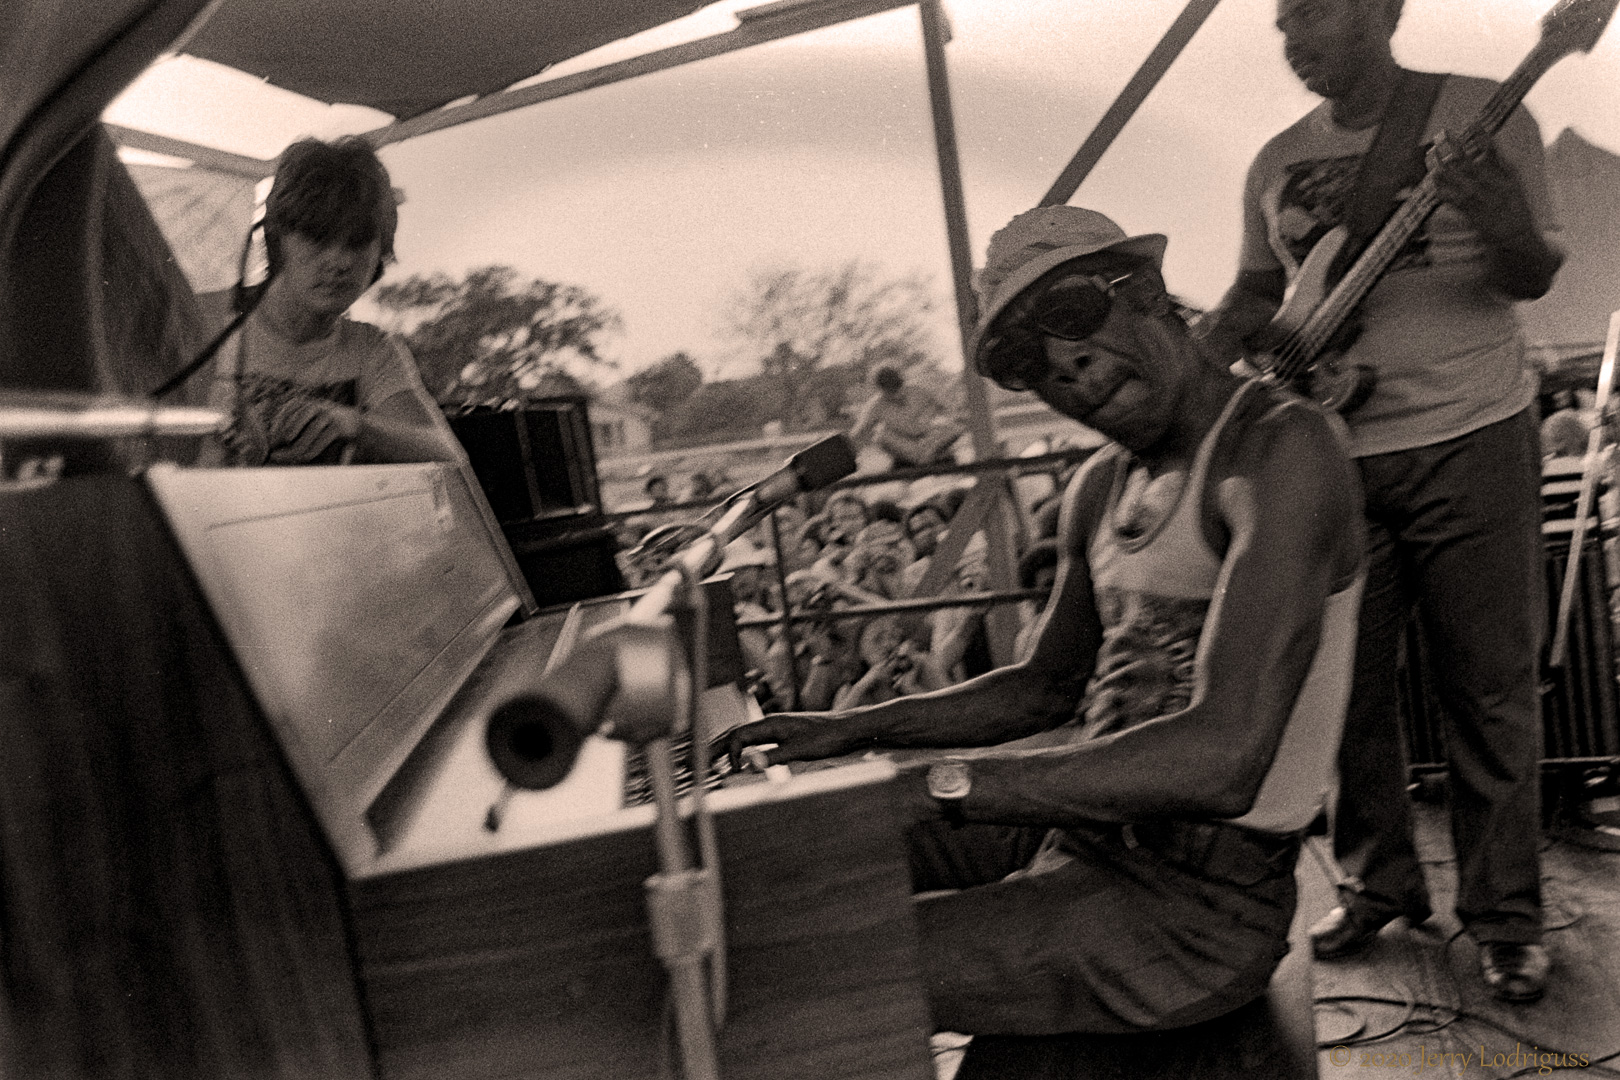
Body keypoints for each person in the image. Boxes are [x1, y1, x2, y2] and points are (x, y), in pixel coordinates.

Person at [723, 205, 1365, 1035]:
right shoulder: (1101, 485)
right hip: (1087, 835)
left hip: (1199, 909)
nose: (1066, 365)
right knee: (789, 848)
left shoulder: (1282, 449)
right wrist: (847, 732)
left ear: (1147, 290)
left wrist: (941, 786)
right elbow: (1043, 687)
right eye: (1023, 360)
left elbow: (1224, 760)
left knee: (816, 970)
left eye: (1072, 314)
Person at [1201, 0, 1562, 1002]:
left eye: (1314, 15)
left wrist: (1492, 210)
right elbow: (1256, 292)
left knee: (1486, 687)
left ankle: (1506, 919)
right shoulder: (1275, 160)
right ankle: (1378, 883)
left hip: (1473, 434)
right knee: (1344, 693)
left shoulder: (1487, 113)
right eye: (1282, 26)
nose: (1296, 41)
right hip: (1330, 450)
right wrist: (1216, 345)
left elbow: (1532, 272)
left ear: (1383, 10)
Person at [205, 137, 461, 466]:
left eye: (356, 243)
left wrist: (356, 426)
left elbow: (449, 456)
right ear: (276, 238)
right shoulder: (209, 323)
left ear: (379, 253)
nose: (339, 261)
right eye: (318, 237)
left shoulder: (372, 350)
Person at [848, 365, 965, 469]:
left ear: (901, 381)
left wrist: (935, 415)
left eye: (897, 386)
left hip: (929, 436)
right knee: (880, 435)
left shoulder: (918, 390)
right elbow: (859, 432)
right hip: (905, 445)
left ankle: (930, 456)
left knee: (952, 426)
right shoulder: (875, 405)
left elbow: (946, 407)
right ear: (880, 389)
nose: (896, 394)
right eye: (889, 389)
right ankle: (921, 459)